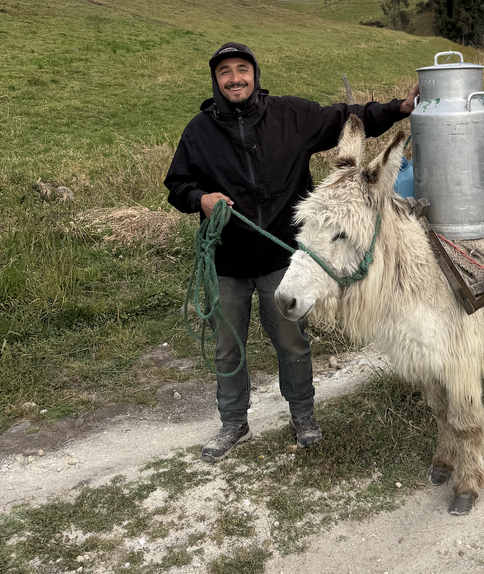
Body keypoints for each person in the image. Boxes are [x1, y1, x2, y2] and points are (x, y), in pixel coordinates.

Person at [164, 42, 418, 463]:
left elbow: (347, 117)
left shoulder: (290, 116)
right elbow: (177, 184)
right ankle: (233, 422)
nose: (234, 78)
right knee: (228, 346)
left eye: (241, 69)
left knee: (292, 342)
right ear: (216, 79)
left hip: (284, 259)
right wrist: (201, 199)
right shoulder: (199, 131)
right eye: (225, 71)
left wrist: (399, 108)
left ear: (254, 73)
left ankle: (303, 416)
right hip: (227, 262)